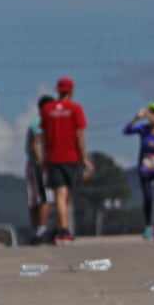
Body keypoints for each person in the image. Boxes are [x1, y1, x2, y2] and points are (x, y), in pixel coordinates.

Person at [40, 77, 94, 245]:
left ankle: (60, 229)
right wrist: (84, 157)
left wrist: (44, 157)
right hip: (71, 157)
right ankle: (64, 230)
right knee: (65, 195)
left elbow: (44, 136)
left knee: (59, 195)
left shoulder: (47, 110)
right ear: (71, 90)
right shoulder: (75, 109)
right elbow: (79, 134)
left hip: (54, 157)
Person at [123, 103, 154, 241]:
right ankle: (148, 226)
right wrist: (137, 118)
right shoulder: (143, 129)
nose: (150, 115)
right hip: (145, 169)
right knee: (148, 198)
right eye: (149, 112)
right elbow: (126, 130)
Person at [25, 95, 56, 245]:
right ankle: (41, 229)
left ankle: (36, 229)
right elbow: (35, 144)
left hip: (33, 163)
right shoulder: (40, 122)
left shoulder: (38, 122)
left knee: (34, 199)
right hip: (38, 164)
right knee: (45, 197)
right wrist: (42, 161)